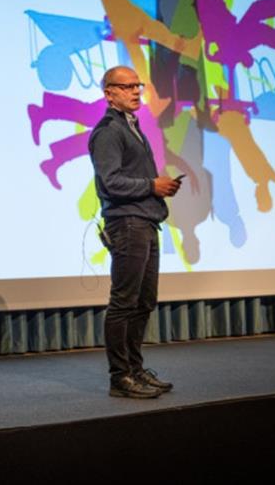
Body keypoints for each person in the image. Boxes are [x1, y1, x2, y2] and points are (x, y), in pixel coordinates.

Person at [88, 66, 181, 399]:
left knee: (144, 301)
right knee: (124, 302)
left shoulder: (132, 127)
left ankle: (136, 369)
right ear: (109, 93)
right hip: (127, 223)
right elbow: (110, 182)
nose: (136, 91)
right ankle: (120, 377)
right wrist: (151, 185)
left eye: (138, 85)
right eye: (126, 87)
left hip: (144, 220)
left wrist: (156, 189)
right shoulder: (109, 131)